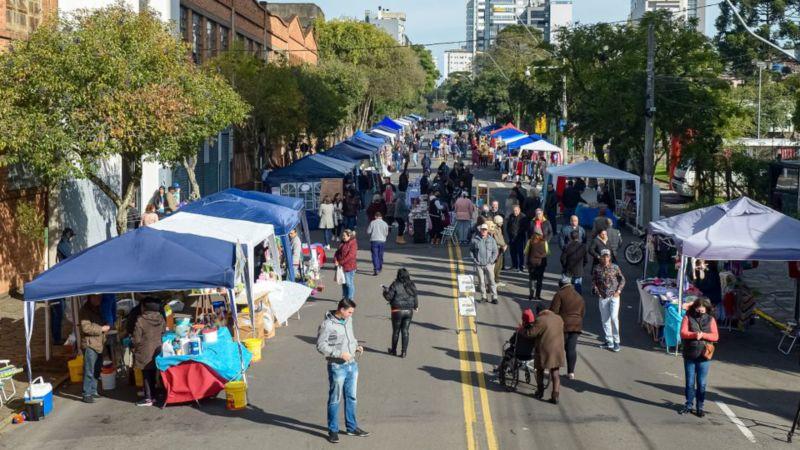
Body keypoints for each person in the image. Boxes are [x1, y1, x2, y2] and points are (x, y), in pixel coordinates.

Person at [316, 299, 369, 443]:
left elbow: (350, 336)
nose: (351, 315)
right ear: (342, 309)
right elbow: (320, 346)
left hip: (352, 364)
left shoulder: (349, 320)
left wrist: (356, 345)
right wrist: (339, 354)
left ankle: (352, 427)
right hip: (337, 366)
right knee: (335, 399)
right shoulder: (327, 325)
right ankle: (333, 430)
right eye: (350, 312)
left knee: (352, 397)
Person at [679, 298, 719, 417]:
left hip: (704, 355)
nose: (700, 309)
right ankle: (689, 405)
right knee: (690, 382)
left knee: (701, 383)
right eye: (698, 307)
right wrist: (695, 335)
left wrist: (704, 335)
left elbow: (715, 336)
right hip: (690, 354)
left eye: (702, 307)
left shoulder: (710, 319)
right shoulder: (687, 317)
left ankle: (700, 407)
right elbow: (683, 333)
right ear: (694, 307)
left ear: (706, 308)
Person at [527, 310, 565, 404]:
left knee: (540, 370)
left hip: (544, 350)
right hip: (558, 349)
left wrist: (523, 330)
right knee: (555, 373)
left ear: (539, 312)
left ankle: (540, 392)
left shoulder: (541, 319)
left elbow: (531, 333)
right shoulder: (559, 318)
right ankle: (555, 396)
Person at [132, 297, 165, 406]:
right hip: (157, 349)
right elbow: (163, 332)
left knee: (146, 374)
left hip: (144, 350)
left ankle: (148, 398)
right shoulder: (161, 318)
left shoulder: (141, 320)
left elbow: (136, 339)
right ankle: (153, 395)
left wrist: (133, 346)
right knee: (153, 372)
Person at [550, 280, 585, 379]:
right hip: (576, 326)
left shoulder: (559, 294)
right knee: (571, 349)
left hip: (563, 325)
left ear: (561, 285)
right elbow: (582, 313)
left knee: (557, 347)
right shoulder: (579, 297)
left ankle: (554, 369)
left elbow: (554, 311)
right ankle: (571, 373)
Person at [592, 249, 626, 352]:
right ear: (601, 257)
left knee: (614, 318)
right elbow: (593, 281)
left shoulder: (615, 267)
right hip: (603, 297)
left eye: (607, 256)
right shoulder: (597, 268)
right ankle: (609, 341)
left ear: (610, 257)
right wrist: (597, 291)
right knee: (605, 319)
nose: (605, 258)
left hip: (614, 296)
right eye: (604, 256)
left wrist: (618, 291)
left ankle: (616, 342)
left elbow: (622, 280)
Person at [80, 295, 110, 403]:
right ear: (90, 298)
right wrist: (101, 328)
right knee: (89, 370)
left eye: (100, 298)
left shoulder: (99, 308)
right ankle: (86, 393)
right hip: (90, 344)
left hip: (99, 343)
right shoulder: (84, 310)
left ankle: (93, 391)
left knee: (97, 369)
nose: (99, 299)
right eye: (97, 298)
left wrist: (106, 324)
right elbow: (86, 328)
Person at [383, 269, 419, 358]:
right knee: (405, 331)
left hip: (397, 310)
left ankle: (393, 350)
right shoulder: (411, 284)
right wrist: (416, 306)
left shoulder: (395, 284)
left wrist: (385, 291)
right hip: (409, 311)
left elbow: (388, 297)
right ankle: (404, 352)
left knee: (396, 331)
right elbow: (415, 296)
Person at [51, 228, 75, 345]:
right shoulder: (63, 244)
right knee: (58, 312)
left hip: (61, 279)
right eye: (71, 236)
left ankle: (56, 337)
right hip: (59, 282)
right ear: (68, 235)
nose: (72, 238)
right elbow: (70, 257)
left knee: (58, 312)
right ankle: (56, 338)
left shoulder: (64, 243)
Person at [470, 223, 499, 304]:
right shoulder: (475, 239)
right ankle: (484, 297)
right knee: (481, 282)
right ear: (480, 230)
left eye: (485, 230)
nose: (484, 231)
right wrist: (475, 260)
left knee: (492, 281)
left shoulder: (491, 240)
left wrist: (491, 260)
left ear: (487, 231)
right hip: (479, 265)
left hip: (489, 265)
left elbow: (495, 251)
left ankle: (494, 297)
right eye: (482, 229)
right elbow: (471, 251)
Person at [334, 230, 358, 301]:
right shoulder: (342, 242)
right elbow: (337, 252)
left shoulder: (353, 243)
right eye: (343, 235)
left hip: (349, 267)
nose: (343, 237)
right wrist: (335, 259)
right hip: (342, 267)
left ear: (349, 236)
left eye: (344, 236)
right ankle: (344, 298)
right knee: (343, 283)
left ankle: (350, 299)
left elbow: (351, 256)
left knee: (349, 283)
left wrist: (340, 262)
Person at [525, 230, 548, 301]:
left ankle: (531, 295)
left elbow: (526, 251)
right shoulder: (544, 242)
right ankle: (538, 295)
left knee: (532, 279)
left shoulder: (530, 241)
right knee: (539, 280)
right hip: (541, 263)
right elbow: (547, 252)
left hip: (531, 263)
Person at [505, 205, 528, 272]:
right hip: (512, 238)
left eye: (516, 210)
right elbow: (508, 226)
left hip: (519, 237)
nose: (515, 212)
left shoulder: (523, 217)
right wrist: (509, 234)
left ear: (519, 210)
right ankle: (514, 265)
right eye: (514, 210)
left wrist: (518, 233)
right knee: (512, 252)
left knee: (520, 252)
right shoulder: (511, 216)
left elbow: (525, 228)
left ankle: (521, 266)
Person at [367, 212, 389, 276]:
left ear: (375, 216)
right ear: (381, 216)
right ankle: (380, 267)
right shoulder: (385, 223)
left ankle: (376, 268)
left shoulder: (372, 222)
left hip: (374, 240)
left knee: (375, 255)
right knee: (380, 255)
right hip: (382, 241)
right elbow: (386, 234)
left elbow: (368, 231)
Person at [491, 216, 507, 286]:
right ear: (497, 222)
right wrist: (504, 245)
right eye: (501, 222)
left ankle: (497, 281)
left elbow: (501, 237)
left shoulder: (499, 228)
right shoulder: (494, 229)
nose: (502, 223)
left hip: (500, 248)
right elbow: (497, 239)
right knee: (496, 266)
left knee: (500, 265)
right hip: (496, 249)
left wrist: (504, 244)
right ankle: (493, 281)